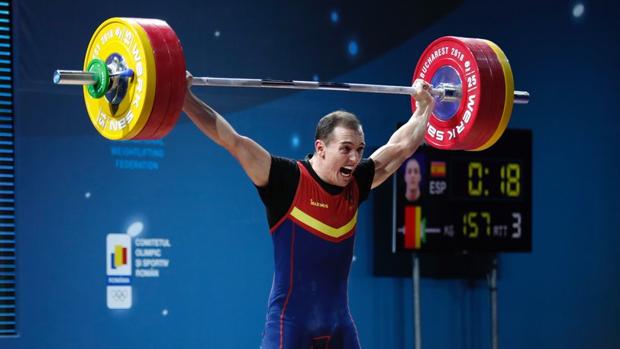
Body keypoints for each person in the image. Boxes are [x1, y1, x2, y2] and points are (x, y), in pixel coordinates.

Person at [183, 72, 434, 349]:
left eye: (360, 149)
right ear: (321, 148)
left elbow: (400, 147)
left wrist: (425, 107)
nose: (354, 158)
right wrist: (184, 98)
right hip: (289, 325)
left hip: (339, 324)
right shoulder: (286, 179)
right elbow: (232, 141)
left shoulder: (357, 183)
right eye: (346, 149)